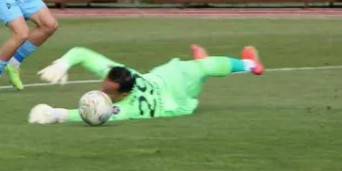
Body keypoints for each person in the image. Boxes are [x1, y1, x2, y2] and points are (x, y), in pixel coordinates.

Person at [29, 44, 265, 124]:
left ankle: (250, 64)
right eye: (104, 86)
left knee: (202, 68)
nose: (102, 92)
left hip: (174, 90)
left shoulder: (127, 109)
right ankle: (211, 65)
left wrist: (55, 114)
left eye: (108, 92)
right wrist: (63, 63)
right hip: (167, 83)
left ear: (122, 94)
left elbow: (86, 114)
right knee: (200, 69)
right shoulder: (125, 74)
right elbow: (83, 53)